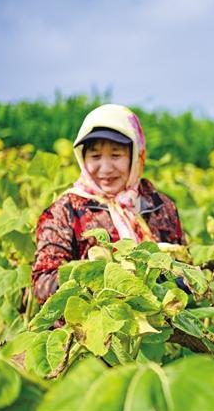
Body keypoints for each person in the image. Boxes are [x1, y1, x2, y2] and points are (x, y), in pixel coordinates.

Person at [32, 104, 186, 304]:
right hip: (90, 330)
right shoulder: (64, 211)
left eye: (116, 155)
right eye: (95, 156)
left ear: (135, 155)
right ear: (82, 157)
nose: (105, 168)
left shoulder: (160, 207)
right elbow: (42, 283)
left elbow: (184, 266)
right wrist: (98, 275)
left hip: (160, 330)